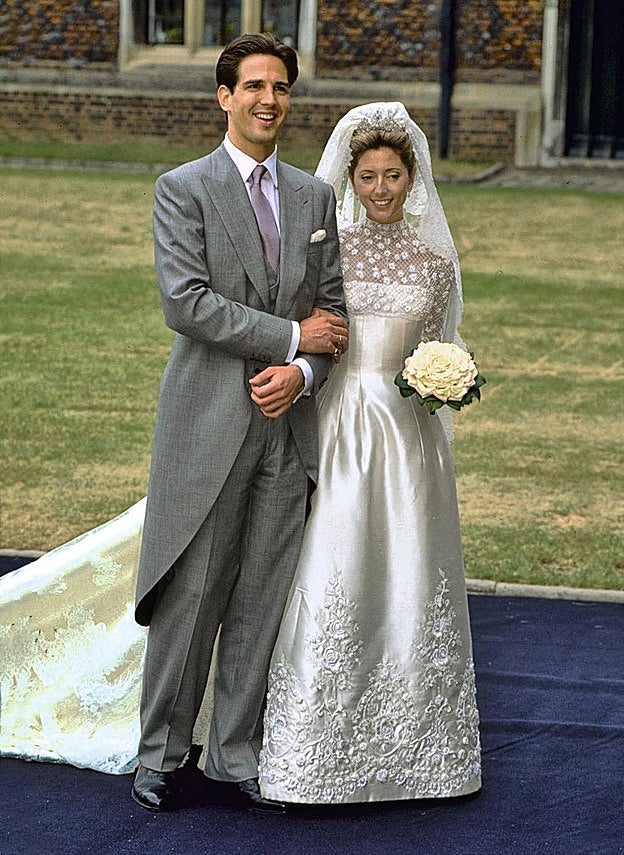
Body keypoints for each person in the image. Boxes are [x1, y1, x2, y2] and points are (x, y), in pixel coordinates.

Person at [130, 33, 347, 813]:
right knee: (193, 598)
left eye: (281, 87)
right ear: (225, 97)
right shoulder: (181, 187)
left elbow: (335, 317)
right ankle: (160, 752)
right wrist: (289, 338)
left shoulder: (315, 199)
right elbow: (184, 302)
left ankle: (232, 754)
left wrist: (304, 373)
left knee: (261, 598)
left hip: (287, 430)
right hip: (209, 425)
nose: (269, 99)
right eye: (254, 85)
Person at [258, 102, 482, 804]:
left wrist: (449, 375)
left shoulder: (435, 260)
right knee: (334, 557)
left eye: (393, 175)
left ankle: (423, 746)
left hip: (409, 435)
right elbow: (309, 329)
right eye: (369, 176)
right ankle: (312, 745)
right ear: (349, 181)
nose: (381, 188)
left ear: (413, 178)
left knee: (409, 566)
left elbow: (441, 340)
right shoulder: (330, 250)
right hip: (341, 419)